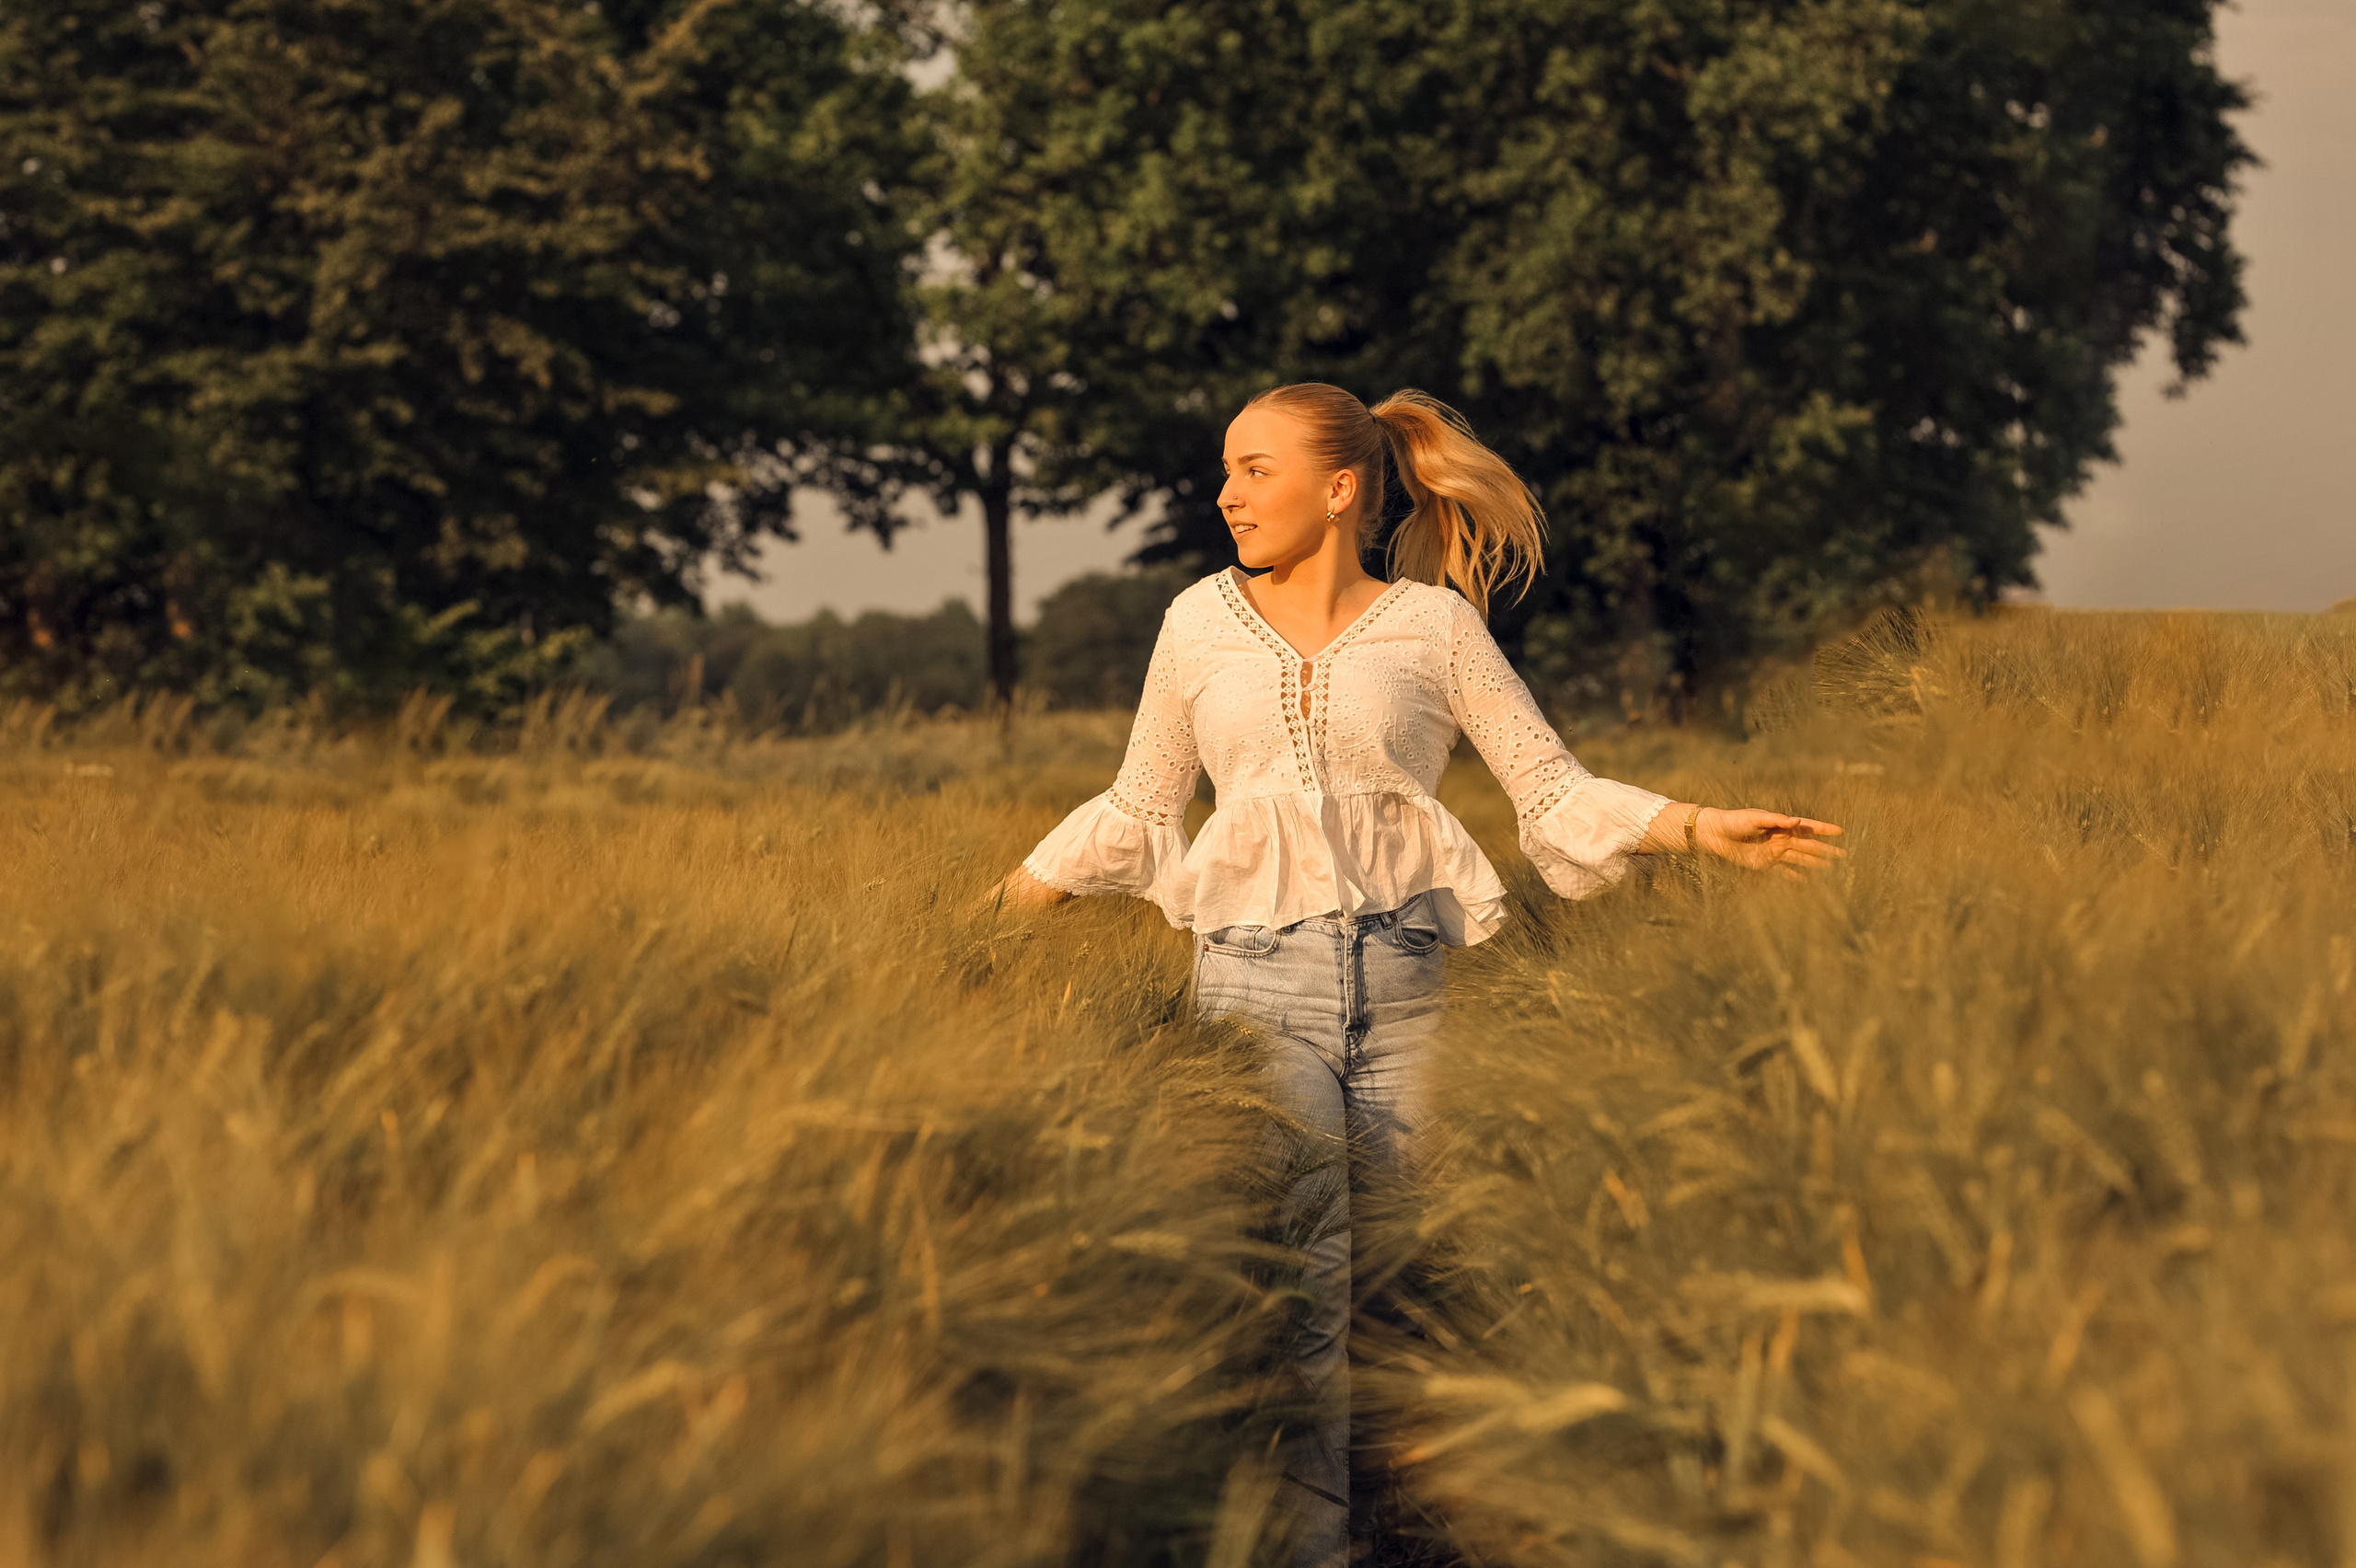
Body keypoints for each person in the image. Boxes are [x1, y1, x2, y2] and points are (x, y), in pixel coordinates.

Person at [987, 383, 1843, 1565]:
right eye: (1225, 471)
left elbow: (1550, 790)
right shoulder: (1195, 622)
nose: (1225, 494)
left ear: (1339, 489)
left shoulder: (1435, 628)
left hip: (1407, 994)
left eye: (1252, 469)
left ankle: (1422, 1540)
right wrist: (983, 925)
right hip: (1252, 995)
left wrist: (1699, 827)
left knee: (1412, 1299)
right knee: (1300, 1297)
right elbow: (1138, 806)